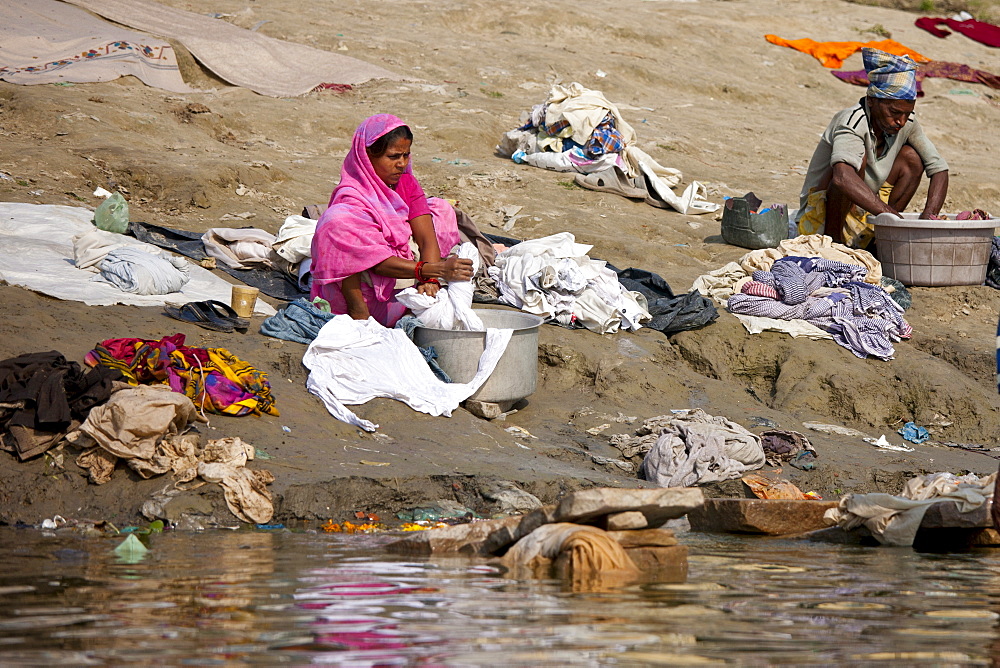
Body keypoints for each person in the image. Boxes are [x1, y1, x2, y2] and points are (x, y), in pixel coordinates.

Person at [310, 114, 474, 326]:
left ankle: (403, 304)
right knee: (335, 223)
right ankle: (358, 311)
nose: (402, 164)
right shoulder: (352, 195)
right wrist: (436, 270)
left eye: (406, 155)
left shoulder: (406, 182)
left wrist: (430, 280)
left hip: (406, 274)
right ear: (367, 155)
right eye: (394, 156)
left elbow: (425, 237)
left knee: (441, 209)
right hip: (364, 287)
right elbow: (374, 262)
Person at [796, 48, 950, 248]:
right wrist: (891, 215)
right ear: (872, 101)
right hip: (819, 218)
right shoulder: (851, 121)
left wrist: (929, 221)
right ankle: (834, 241)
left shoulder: (908, 122)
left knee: (911, 158)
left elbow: (939, 169)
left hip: (864, 211)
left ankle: (881, 239)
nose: (901, 121)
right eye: (894, 112)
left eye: (907, 113)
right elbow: (842, 178)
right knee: (853, 161)